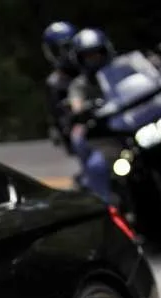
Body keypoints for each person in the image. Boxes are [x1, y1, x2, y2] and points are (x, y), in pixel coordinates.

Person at [65, 28, 119, 203]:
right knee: (96, 165)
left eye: (97, 53)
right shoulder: (79, 85)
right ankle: (107, 205)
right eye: (88, 56)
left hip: (131, 127)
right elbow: (76, 105)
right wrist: (82, 111)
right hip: (107, 137)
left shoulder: (122, 70)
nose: (94, 59)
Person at [42, 21, 80, 154]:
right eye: (58, 50)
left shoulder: (94, 67)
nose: (65, 55)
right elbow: (59, 118)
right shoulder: (55, 83)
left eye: (68, 48)